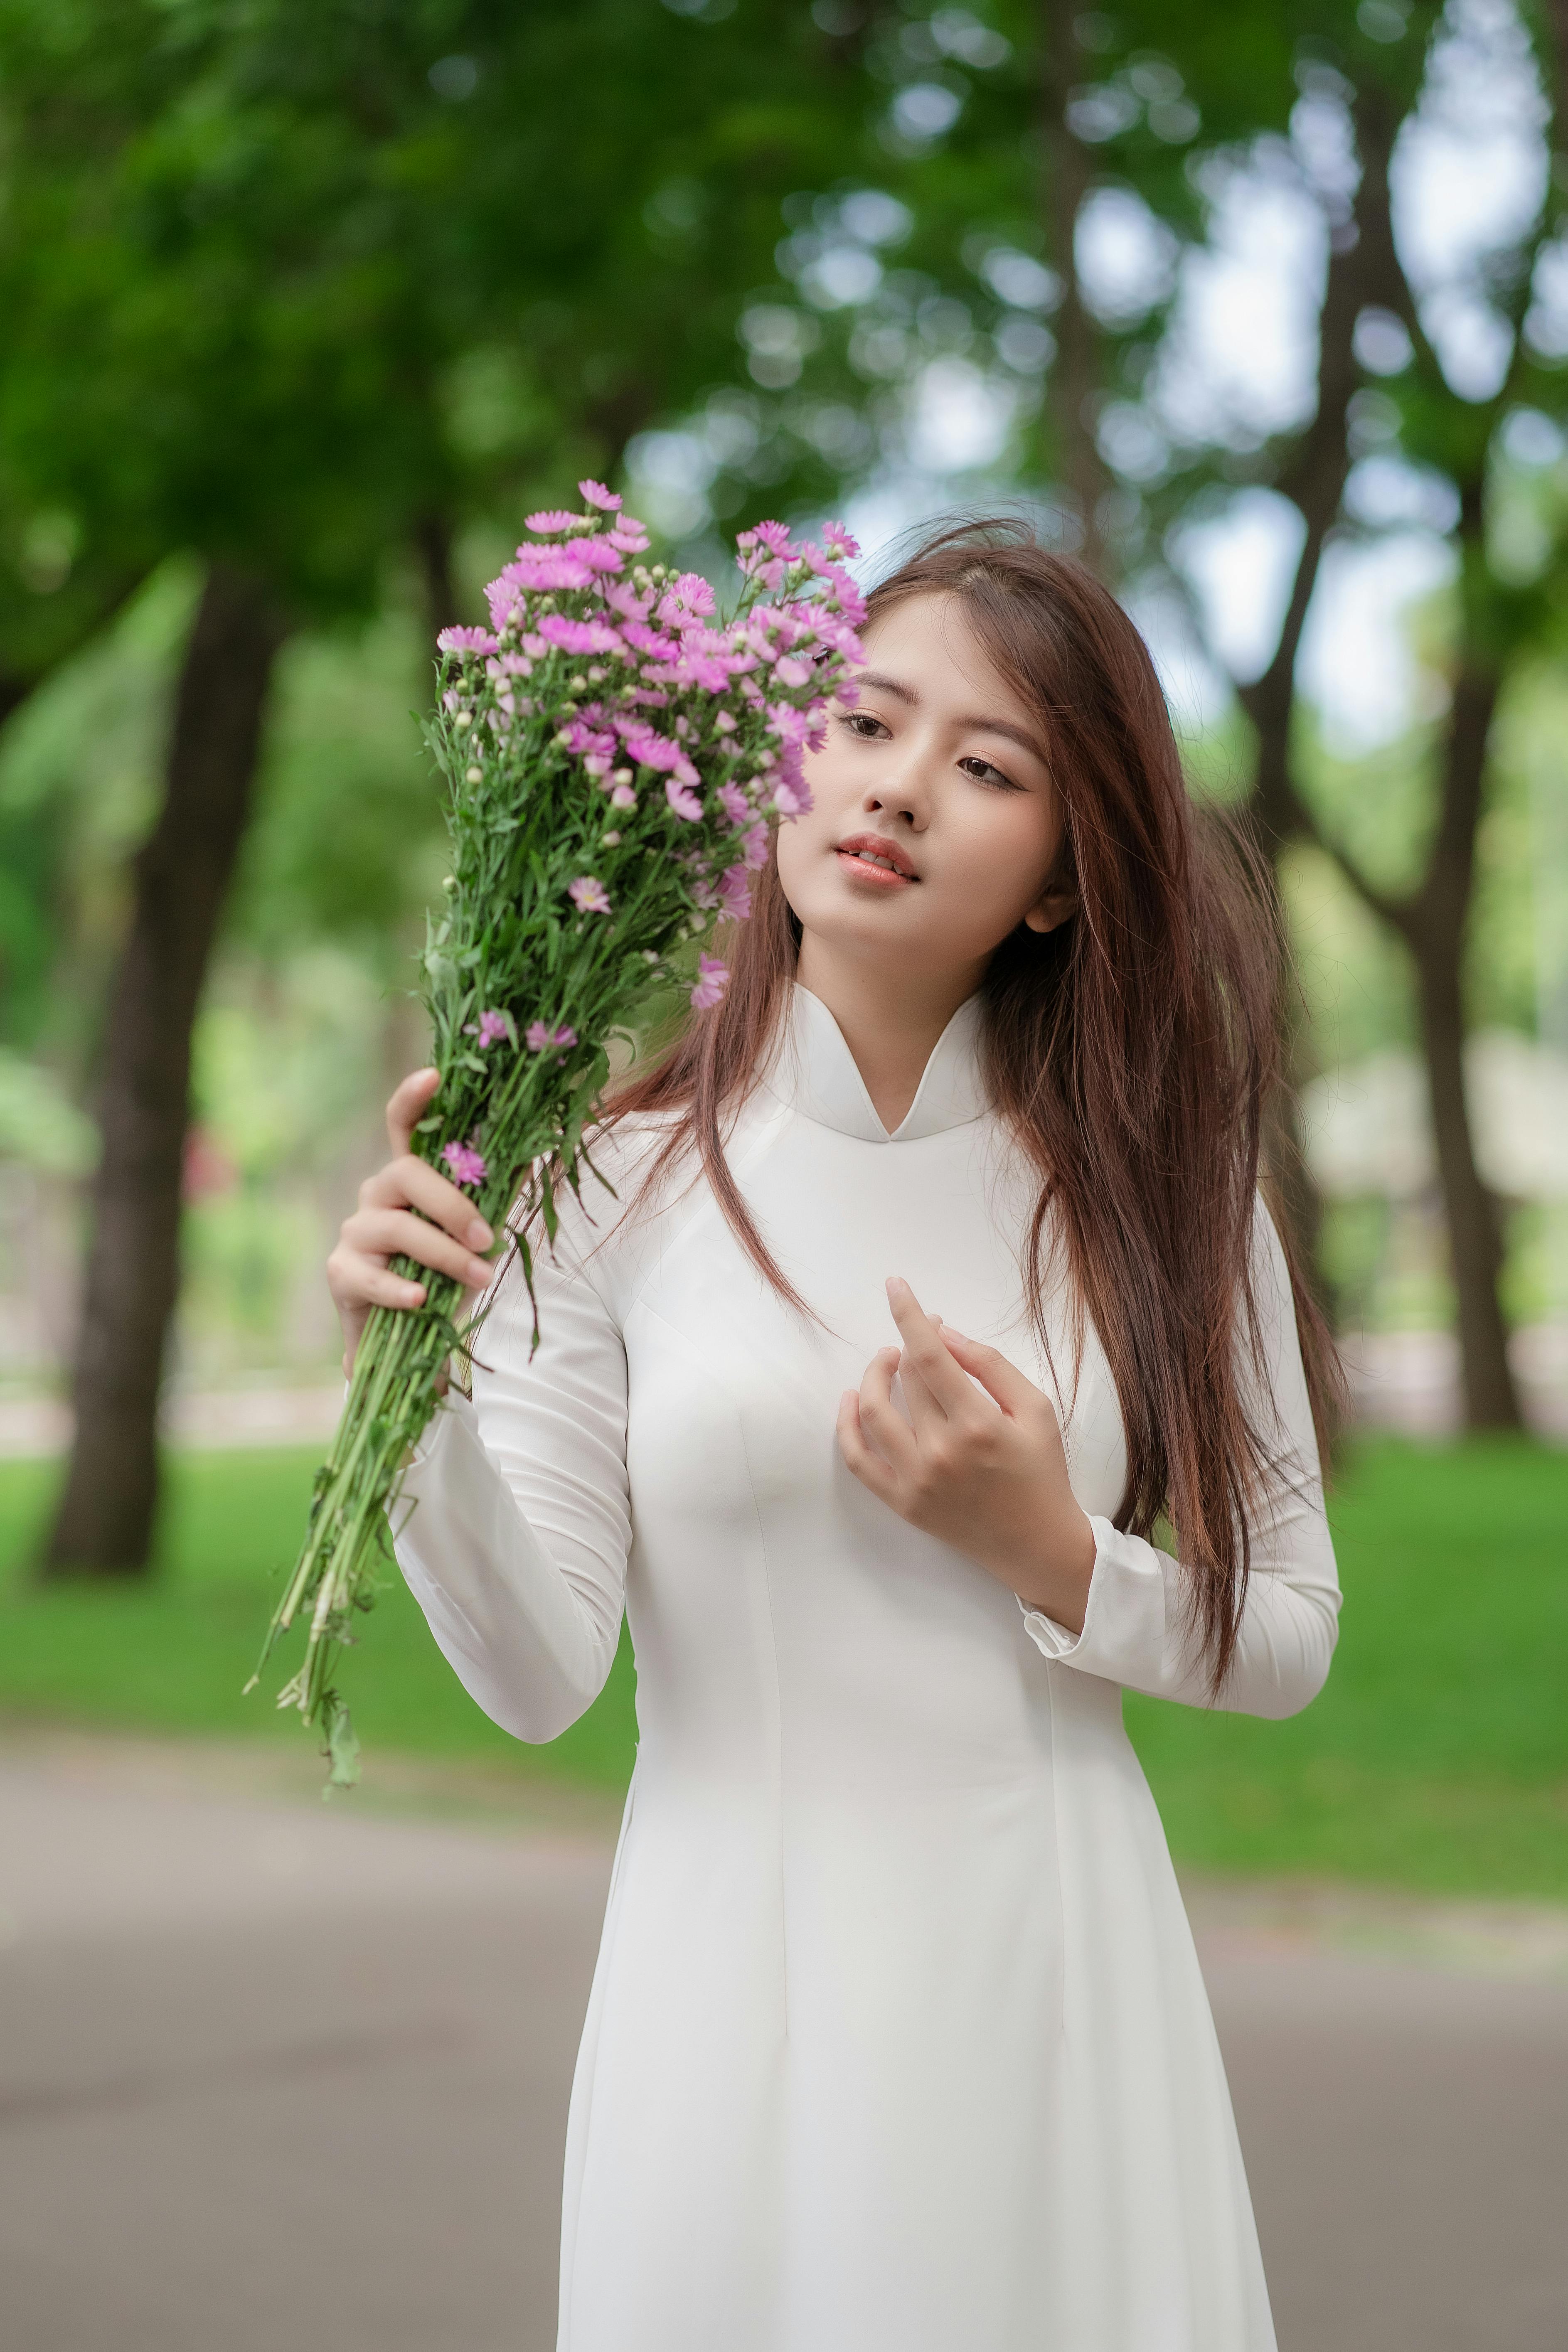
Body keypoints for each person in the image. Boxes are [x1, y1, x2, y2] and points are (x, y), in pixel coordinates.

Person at [327, 519, 1342, 2352]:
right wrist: (412, 1399)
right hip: (723, 1988)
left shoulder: (1164, 1201)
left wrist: (1050, 1544)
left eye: (987, 764)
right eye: (861, 722)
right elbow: (538, 1675)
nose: (896, 788)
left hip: (1052, 1981)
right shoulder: (602, 1186)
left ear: (1054, 874)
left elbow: (1285, 1632)